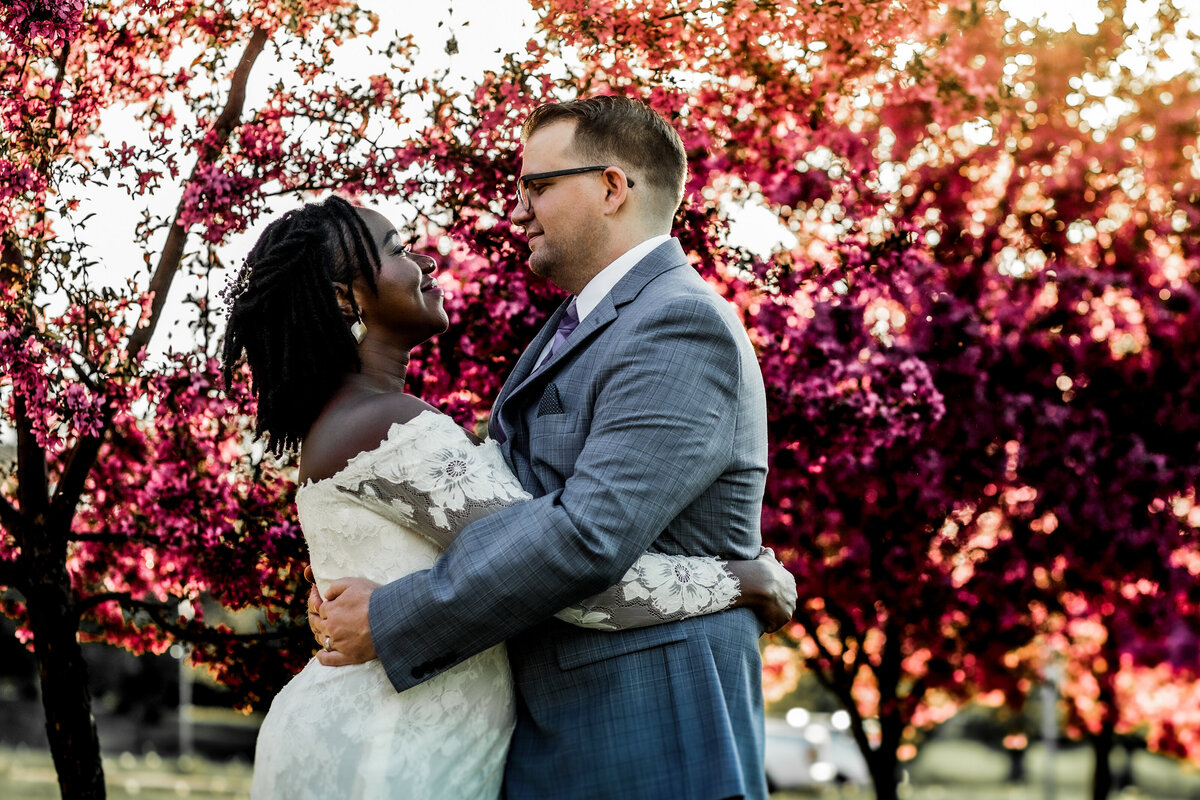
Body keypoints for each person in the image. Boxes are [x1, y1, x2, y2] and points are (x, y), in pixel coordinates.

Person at [221, 194, 794, 798]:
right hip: (395, 747)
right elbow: (557, 570)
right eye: (396, 250)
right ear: (346, 298)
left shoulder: (359, 420)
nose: (425, 262)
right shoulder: (388, 426)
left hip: (416, 734)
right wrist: (738, 581)